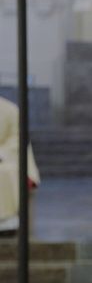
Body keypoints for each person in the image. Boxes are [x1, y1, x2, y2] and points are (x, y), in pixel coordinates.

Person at [0, 95, 39, 234]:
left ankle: (5, 222)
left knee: (6, 172)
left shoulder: (10, 110)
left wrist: (2, 153)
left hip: (4, 158)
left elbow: (18, 137)